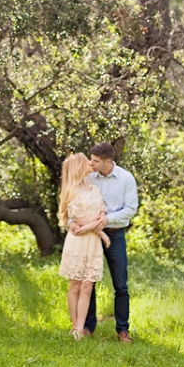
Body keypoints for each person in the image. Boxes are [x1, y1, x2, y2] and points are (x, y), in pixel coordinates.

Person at [70, 142, 138, 343]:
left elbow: (130, 209)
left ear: (108, 161)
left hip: (115, 235)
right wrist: (73, 221)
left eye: (96, 161)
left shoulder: (126, 178)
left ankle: (123, 330)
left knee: (120, 285)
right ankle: (88, 327)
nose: (91, 163)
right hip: (91, 235)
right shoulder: (89, 177)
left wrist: (108, 219)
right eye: (91, 159)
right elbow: (75, 200)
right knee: (88, 282)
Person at [57, 153, 110, 341]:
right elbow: (79, 223)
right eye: (86, 161)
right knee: (75, 285)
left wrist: (98, 225)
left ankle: (80, 327)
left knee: (87, 285)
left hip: (92, 243)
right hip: (78, 243)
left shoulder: (94, 189)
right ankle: (76, 328)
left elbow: (101, 211)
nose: (90, 162)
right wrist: (100, 231)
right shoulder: (71, 191)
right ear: (78, 167)